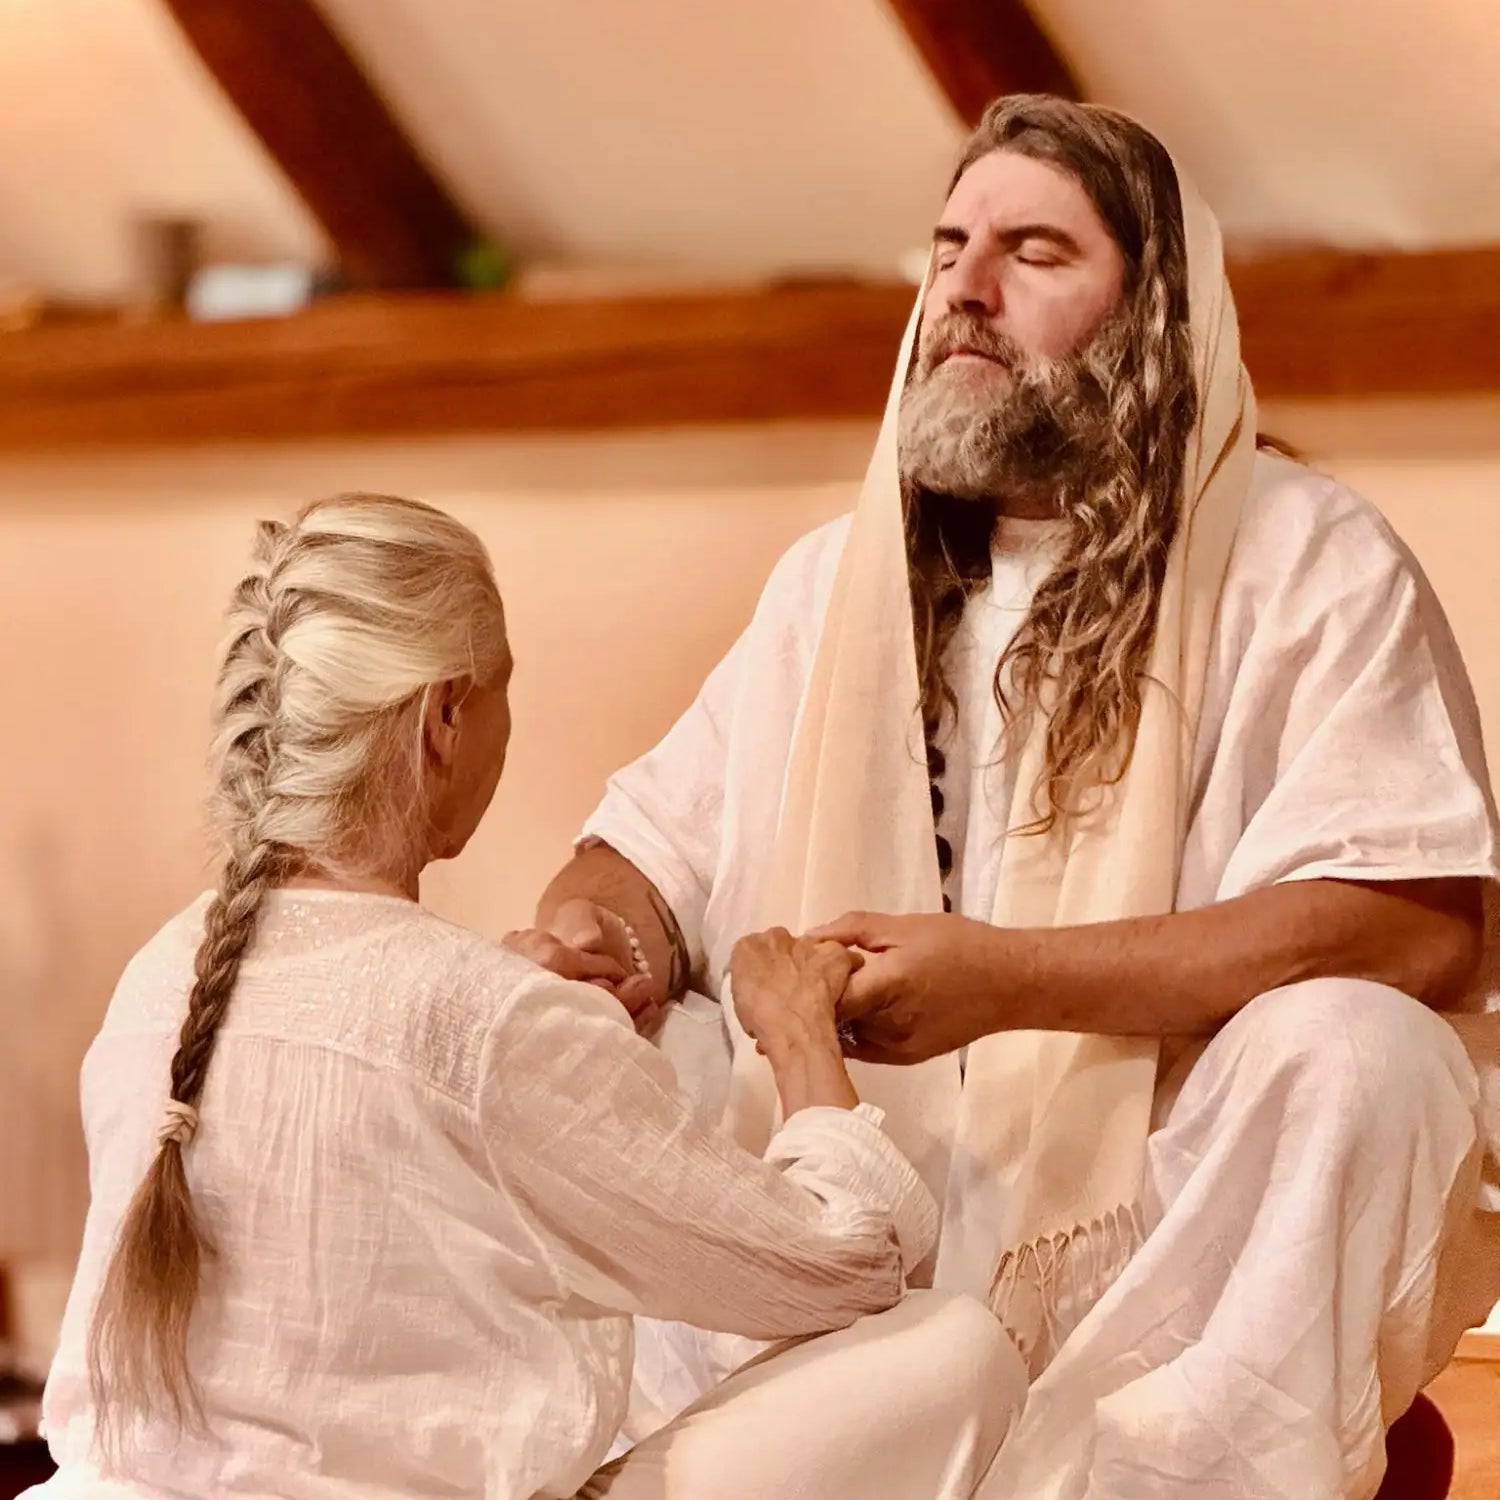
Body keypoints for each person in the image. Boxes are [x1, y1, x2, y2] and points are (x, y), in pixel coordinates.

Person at [534, 96, 1500, 1499]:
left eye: (1035, 252)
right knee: (619, 1045)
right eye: (948, 250)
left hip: (1165, 1238)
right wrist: (592, 943)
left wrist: (1013, 982)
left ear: (1154, 313)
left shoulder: (1304, 556)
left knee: (1363, 1052)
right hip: (857, 1209)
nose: (966, 291)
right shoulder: (834, 583)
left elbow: (1421, 928)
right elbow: (641, 858)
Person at [28, 494, 1020, 1500]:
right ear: (446, 716)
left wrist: (518, 1017)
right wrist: (800, 1032)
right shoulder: (488, 1021)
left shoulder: (161, 975)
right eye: (504, 690)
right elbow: (843, 1265)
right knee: (951, 1348)